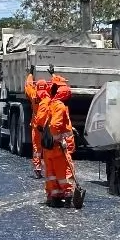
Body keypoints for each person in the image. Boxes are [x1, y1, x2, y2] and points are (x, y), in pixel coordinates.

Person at [34, 76, 76, 207]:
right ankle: (68, 196)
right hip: (58, 147)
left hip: (48, 147)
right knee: (64, 172)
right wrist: (57, 139)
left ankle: (54, 197)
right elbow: (55, 125)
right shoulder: (59, 106)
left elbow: (40, 121)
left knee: (51, 173)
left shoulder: (47, 103)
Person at [24, 67, 49, 179]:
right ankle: (51, 168)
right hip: (48, 127)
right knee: (49, 147)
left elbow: (28, 85)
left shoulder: (33, 94)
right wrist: (53, 75)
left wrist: (30, 74)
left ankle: (38, 168)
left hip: (36, 125)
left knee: (36, 147)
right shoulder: (49, 97)